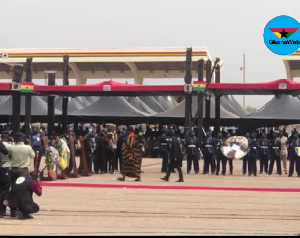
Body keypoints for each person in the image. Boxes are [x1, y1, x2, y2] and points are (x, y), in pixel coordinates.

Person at [0, 131, 10, 217]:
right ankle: (2, 210)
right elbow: (5, 151)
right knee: (4, 190)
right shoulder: (10, 146)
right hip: (4, 169)